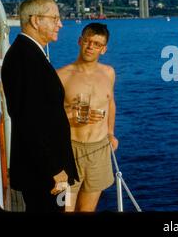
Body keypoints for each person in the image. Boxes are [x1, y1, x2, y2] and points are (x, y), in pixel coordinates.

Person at [1, 0, 78, 212]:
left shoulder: (29, 53)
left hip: (44, 167)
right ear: (36, 21)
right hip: (45, 172)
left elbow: (39, 110)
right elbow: (28, 121)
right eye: (54, 18)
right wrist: (55, 169)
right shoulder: (25, 58)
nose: (60, 24)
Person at [57, 23, 118, 212]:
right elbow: (48, 118)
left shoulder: (108, 73)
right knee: (64, 208)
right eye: (87, 41)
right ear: (80, 41)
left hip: (99, 150)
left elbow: (110, 103)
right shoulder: (61, 76)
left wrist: (110, 133)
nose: (91, 47)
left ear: (104, 49)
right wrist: (71, 115)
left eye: (97, 44)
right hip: (69, 149)